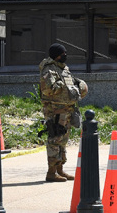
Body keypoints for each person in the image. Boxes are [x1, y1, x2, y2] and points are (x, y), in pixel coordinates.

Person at [39, 43, 87, 182]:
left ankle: (60, 170)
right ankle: (51, 172)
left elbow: (70, 84)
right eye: (63, 53)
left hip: (67, 110)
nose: (65, 55)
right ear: (57, 55)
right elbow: (48, 90)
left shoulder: (63, 68)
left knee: (63, 140)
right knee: (55, 139)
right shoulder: (49, 70)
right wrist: (64, 85)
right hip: (55, 111)